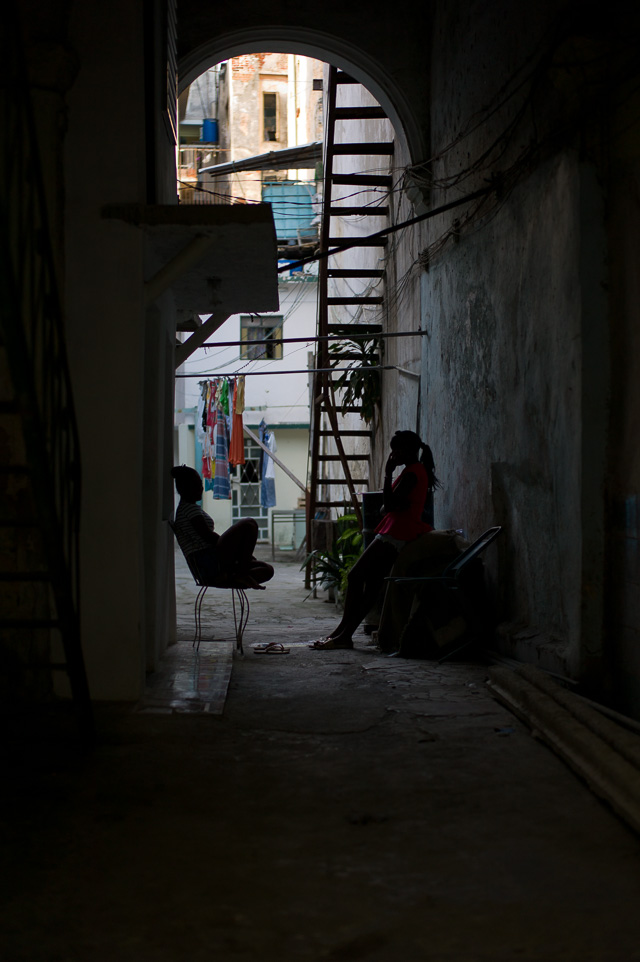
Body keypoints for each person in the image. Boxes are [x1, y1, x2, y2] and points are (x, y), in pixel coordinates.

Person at [309, 431, 441, 650]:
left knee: (355, 576)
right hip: (396, 530)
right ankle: (344, 633)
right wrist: (388, 497)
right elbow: (390, 503)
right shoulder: (412, 471)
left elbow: (388, 506)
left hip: (396, 533)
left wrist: (388, 475)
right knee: (371, 586)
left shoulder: (411, 474)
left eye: (396, 450)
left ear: (407, 450)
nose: (393, 455)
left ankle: (344, 631)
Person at [171, 465, 274, 589]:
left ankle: (234, 575)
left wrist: (242, 555)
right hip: (208, 562)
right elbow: (208, 537)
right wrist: (239, 552)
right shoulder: (189, 509)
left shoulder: (190, 508)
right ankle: (240, 574)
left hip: (215, 561)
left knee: (267, 570)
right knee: (249, 524)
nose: (201, 488)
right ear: (186, 488)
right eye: (197, 485)